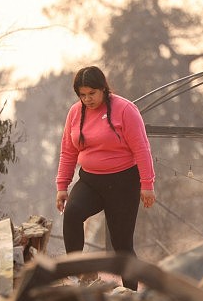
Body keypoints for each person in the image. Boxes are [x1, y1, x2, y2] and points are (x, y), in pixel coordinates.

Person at [55, 65, 156, 289]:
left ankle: (130, 292)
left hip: (123, 183)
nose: (88, 99)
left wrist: (147, 184)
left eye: (92, 93)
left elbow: (141, 148)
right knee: (72, 213)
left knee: (122, 245)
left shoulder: (125, 109)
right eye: (82, 95)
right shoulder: (75, 113)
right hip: (91, 181)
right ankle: (74, 272)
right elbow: (68, 151)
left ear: (103, 89)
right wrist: (62, 186)